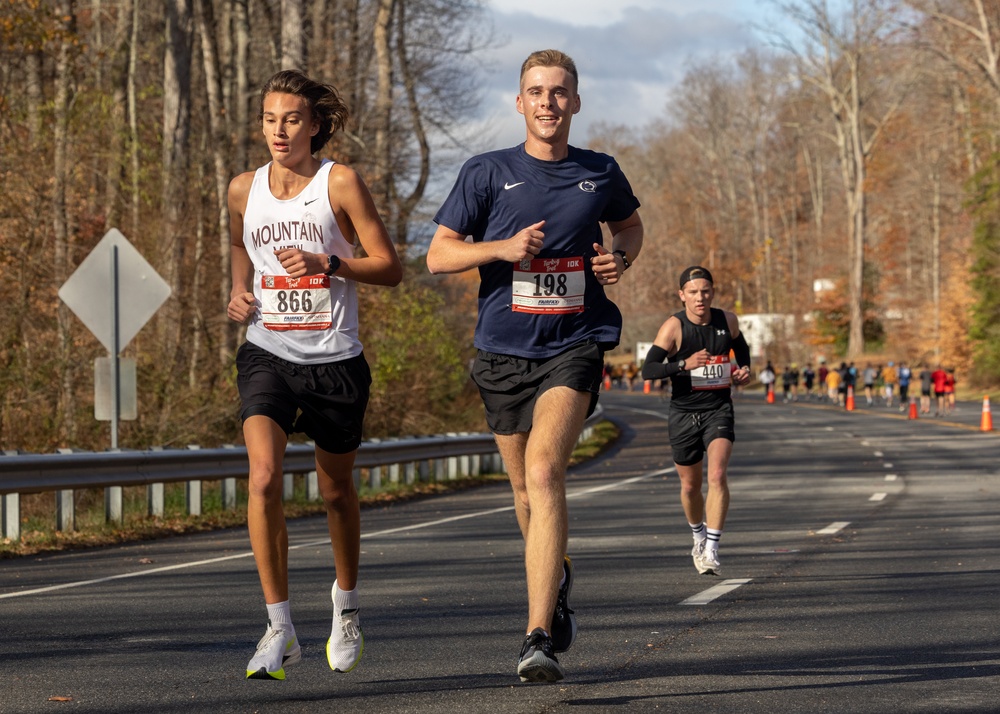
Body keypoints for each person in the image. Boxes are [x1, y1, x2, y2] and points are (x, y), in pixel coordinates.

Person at [426, 49, 643, 683]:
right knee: (523, 492)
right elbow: (439, 256)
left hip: (574, 344)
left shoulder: (599, 173)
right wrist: (503, 248)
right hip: (501, 351)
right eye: (536, 92)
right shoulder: (486, 173)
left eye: (559, 92)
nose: (548, 102)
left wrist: (619, 261)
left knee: (546, 473)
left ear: (576, 102)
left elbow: (628, 227)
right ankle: (559, 577)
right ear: (520, 103)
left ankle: (537, 635)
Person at [227, 70, 403, 680]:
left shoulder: (341, 182)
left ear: (315, 125)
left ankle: (346, 607)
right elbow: (238, 248)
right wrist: (237, 292)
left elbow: (389, 266)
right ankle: (279, 627)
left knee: (334, 492)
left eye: (292, 119)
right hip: (267, 352)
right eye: (270, 118)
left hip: (335, 361)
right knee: (264, 477)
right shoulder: (242, 189)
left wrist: (330, 263)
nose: (279, 130)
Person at [642, 266, 752, 579]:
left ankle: (713, 549)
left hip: (718, 408)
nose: (700, 298)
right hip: (683, 412)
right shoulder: (673, 327)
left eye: (705, 291)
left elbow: (741, 349)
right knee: (690, 486)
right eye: (693, 292)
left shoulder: (727, 320)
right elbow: (648, 370)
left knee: (717, 474)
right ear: (682, 295)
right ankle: (698, 535)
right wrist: (683, 364)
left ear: (712, 292)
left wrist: (743, 369)